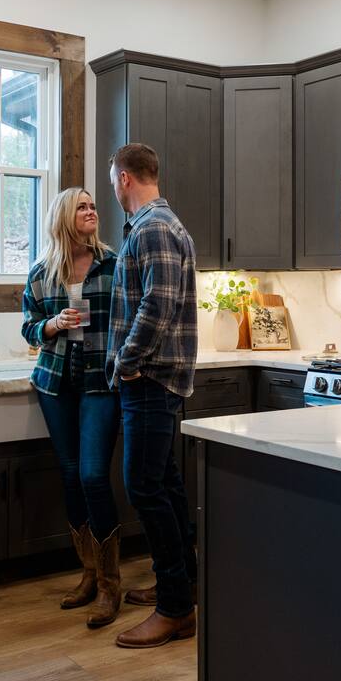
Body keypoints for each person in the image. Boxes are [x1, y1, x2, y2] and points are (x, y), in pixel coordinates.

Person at [106, 143, 198, 648]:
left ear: (125, 178)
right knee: (164, 481)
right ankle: (181, 584)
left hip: (150, 378)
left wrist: (127, 361)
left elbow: (157, 304)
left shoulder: (153, 227)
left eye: (113, 183)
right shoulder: (157, 225)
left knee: (143, 486)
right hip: (156, 377)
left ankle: (176, 610)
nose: (114, 192)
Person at [22, 187, 121, 628]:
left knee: (93, 475)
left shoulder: (113, 264)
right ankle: (88, 574)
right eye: (82, 207)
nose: (91, 211)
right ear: (64, 217)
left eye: (93, 205)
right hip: (56, 382)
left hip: (101, 379)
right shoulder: (41, 272)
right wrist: (52, 323)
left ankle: (110, 585)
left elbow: (128, 318)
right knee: (70, 475)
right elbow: (28, 327)